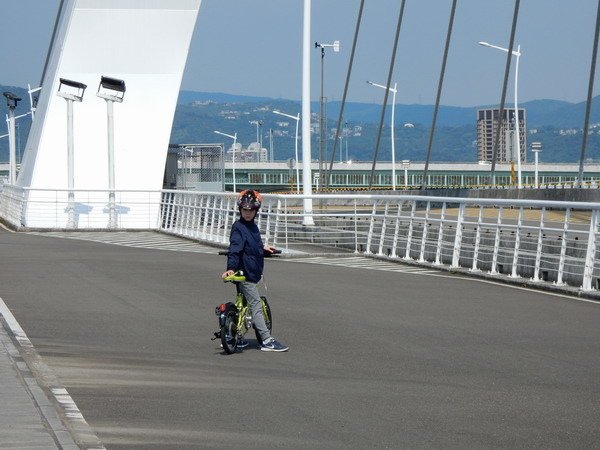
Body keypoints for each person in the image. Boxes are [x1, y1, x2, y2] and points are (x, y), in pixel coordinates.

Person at [221, 189, 289, 352]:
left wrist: (263, 249)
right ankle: (266, 339)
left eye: (251, 210)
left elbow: (250, 246)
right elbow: (235, 249)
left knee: (242, 304)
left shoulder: (251, 227)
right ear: (240, 210)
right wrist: (230, 268)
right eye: (245, 210)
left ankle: (236, 336)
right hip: (245, 274)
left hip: (249, 271)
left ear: (256, 210)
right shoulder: (239, 227)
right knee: (256, 304)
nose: (248, 213)